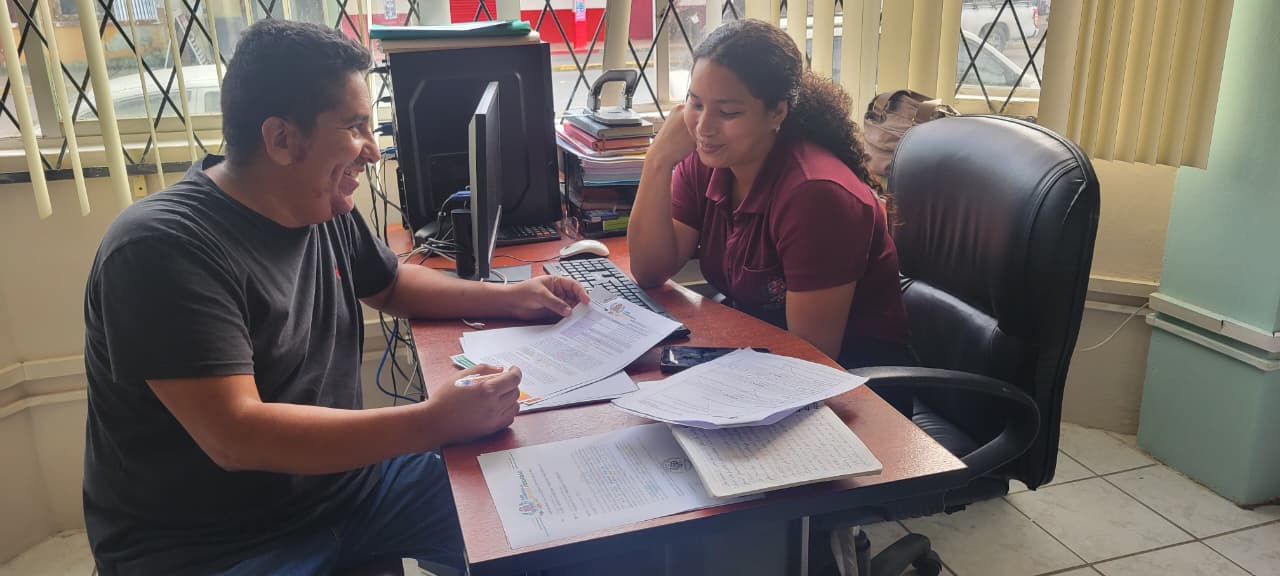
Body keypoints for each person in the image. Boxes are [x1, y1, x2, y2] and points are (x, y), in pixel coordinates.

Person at [81, 20, 587, 576]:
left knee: (550, 527)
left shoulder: (318, 202)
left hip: (347, 488)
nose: (372, 150)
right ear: (280, 139)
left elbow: (390, 283)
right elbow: (236, 436)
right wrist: (434, 420)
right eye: (354, 127)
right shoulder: (161, 248)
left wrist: (510, 297)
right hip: (213, 546)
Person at [627, 19, 910, 369]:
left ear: (777, 112)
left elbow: (812, 359)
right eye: (695, 103)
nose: (703, 127)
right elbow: (650, 271)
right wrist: (657, 161)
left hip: (853, 386)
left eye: (728, 112)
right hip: (758, 355)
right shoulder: (710, 159)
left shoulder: (815, 195)